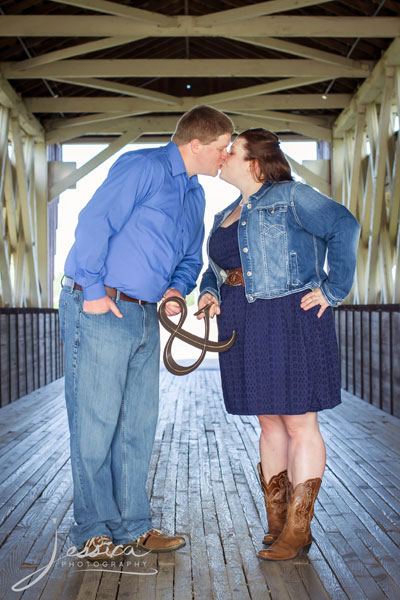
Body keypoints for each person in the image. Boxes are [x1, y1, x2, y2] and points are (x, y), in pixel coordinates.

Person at [59, 105, 234, 559]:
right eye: (221, 147)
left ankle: (133, 526)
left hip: (145, 316)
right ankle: (93, 530)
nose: (225, 155)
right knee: (94, 424)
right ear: (196, 144)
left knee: (137, 425)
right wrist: (94, 290)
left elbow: (190, 259)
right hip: (101, 305)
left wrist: (177, 291)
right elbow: (95, 222)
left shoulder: (195, 196)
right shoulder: (143, 167)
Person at [197, 128, 360, 561]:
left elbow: (345, 224)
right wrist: (208, 292)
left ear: (253, 161)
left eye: (231, 151)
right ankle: (277, 522)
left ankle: (298, 529)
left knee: (299, 422)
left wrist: (333, 288)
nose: (223, 156)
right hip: (241, 320)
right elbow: (215, 270)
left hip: (289, 317)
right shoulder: (225, 214)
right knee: (268, 423)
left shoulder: (292, 197)